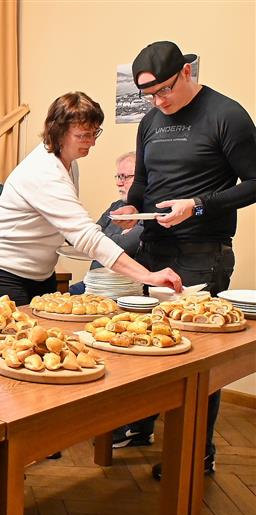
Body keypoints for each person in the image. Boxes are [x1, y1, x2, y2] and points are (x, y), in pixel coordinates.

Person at [109, 41, 256, 479]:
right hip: (154, 250)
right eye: (149, 95)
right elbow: (143, 184)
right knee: (145, 340)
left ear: (187, 72)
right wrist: (132, 208)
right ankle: (140, 426)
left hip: (202, 253)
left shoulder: (226, 114)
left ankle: (196, 454)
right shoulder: (151, 121)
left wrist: (199, 204)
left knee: (195, 356)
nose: (158, 101)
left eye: (164, 90)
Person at [0, 92, 182, 306]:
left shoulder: (69, 163)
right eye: (83, 135)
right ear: (58, 132)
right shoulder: (44, 171)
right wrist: (148, 276)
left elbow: (72, 229)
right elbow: (85, 235)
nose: (92, 142)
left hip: (38, 272)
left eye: (95, 133)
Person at [69, 151, 143, 294]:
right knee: (60, 297)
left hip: (123, 289)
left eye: (125, 177)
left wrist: (101, 239)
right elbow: (91, 237)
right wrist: (110, 238)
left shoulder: (149, 211)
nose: (118, 183)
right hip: (94, 283)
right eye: (118, 176)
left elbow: (125, 244)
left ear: (142, 178)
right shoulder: (116, 206)